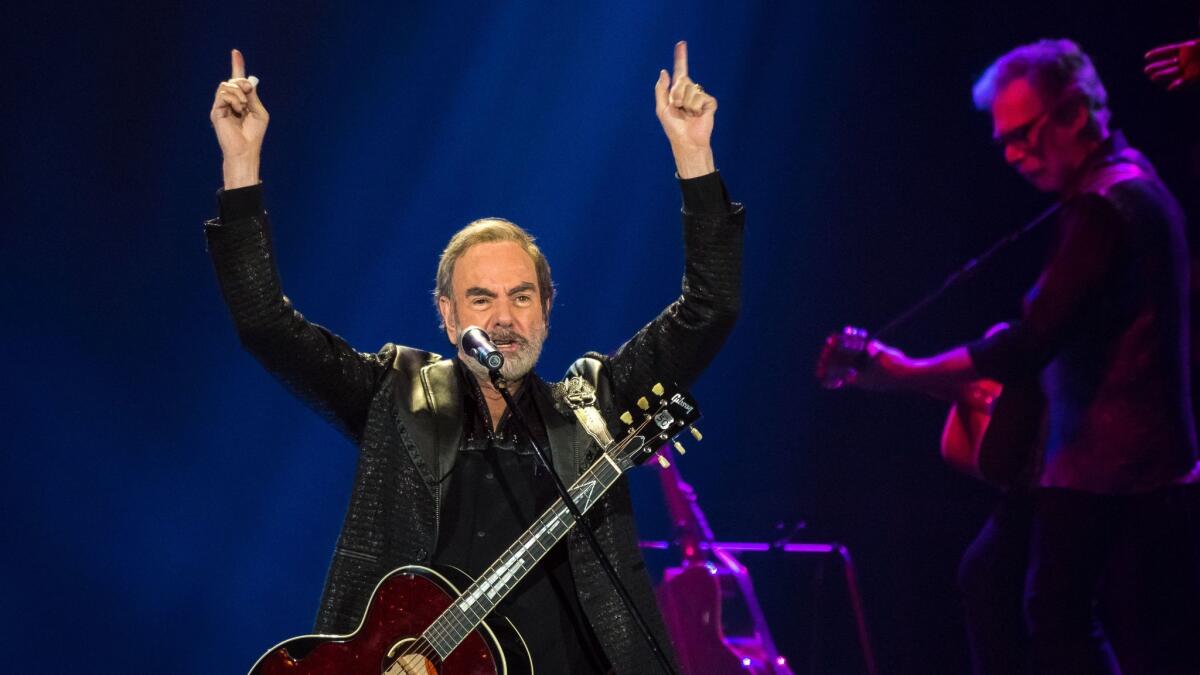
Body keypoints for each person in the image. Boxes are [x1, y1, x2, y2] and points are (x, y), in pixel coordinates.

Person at [205, 43, 743, 674]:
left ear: (546, 308)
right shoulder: (396, 394)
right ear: (447, 314)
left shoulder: (597, 404)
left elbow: (710, 307)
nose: (504, 319)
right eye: (481, 299)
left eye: (521, 297)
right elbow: (267, 325)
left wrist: (694, 156)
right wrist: (241, 164)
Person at [819, 39, 1200, 674]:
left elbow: (1030, 341)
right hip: (1097, 463)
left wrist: (910, 373)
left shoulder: (1110, 204)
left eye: (1025, 135)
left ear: (1077, 114)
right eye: (1005, 144)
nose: (1017, 157)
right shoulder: (1112, 188)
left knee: (1058, 619)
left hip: (1118, 469)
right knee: (1003, 585)